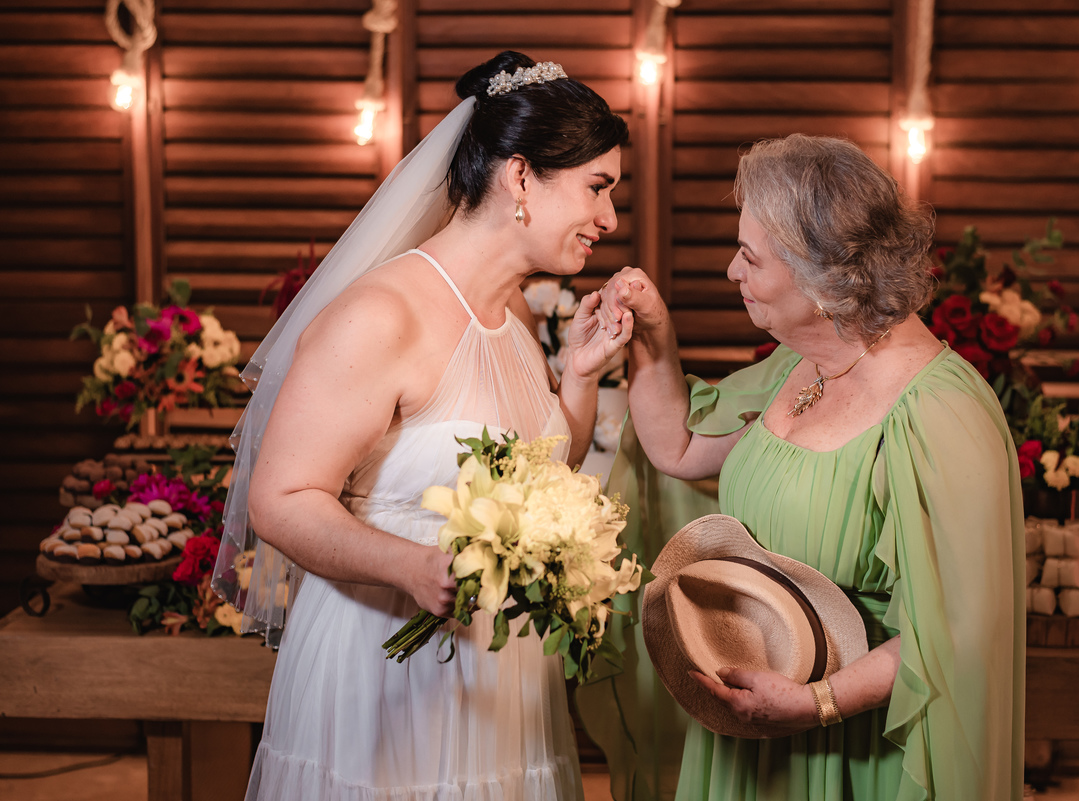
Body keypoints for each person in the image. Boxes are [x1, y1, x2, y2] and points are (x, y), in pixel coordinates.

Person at [213, 51, 632, 800]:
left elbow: (531, 484)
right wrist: (409, 566)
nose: (609, 218)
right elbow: (280, 497)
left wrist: (579, 374)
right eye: (598, 188)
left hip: (500, 683)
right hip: (383, 667)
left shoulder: (510, 318)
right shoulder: (384, 314)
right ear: (521, 177)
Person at [582, 134, 1025, 800]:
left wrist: (815, 702)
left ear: (824, 281)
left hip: (853, 745)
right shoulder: (803, 363)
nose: (733, 272)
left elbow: (959, 636)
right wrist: (653, 332)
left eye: (750, 258)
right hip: (750, 720)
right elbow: (675, 444)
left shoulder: (942, 416)